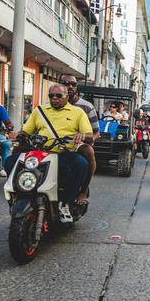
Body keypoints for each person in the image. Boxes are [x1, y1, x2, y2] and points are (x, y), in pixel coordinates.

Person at [5, 84, 93, 222]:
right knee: (11, 161)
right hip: (40, 153)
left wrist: (81, 135)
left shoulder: (77, 112)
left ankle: (66, 203)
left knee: (80, 163)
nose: (55, 98)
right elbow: (26, 131)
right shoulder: (39, 110)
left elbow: (89, 135)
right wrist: (17, 134)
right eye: (51, 95)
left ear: (67, 97)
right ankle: (18, 196)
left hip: (63, 153)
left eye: (59, 96)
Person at [60, 75, 99, 205]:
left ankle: (84, 189)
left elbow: (95, 131)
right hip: (52, 143)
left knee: (88, 151)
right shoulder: (47, 106)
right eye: (66, 83)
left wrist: (88, 138)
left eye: (73, 84)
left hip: (76, 144)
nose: (70, 86)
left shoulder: (86, 107)